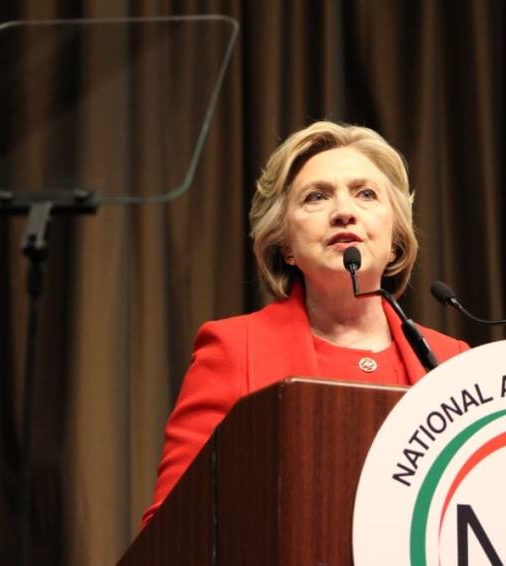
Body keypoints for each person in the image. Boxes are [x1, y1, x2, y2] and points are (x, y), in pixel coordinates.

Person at [141, 121, 468, 527]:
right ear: (285, 245)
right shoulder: (232, 349)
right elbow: (170, 528)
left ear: (396, 237)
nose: (344, 211)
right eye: (316, 197)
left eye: (366, 194)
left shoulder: (452, 361)